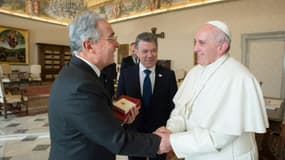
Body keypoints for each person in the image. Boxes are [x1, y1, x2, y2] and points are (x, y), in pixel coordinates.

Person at [48, 11, 170, 160]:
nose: (117, 44)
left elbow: (91, 121)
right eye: (111, 38)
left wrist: (118, 119)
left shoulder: (80, 74)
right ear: (89, 45)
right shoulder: (81, 86)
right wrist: (159, 143)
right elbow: (116, 140)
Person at [155, 20, 269, 160]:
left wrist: (172, 141)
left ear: (221, 47)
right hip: (196, 152)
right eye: (195, 42)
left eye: (201, 43)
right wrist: (171, 129)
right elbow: (182, 110)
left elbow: (221, 136)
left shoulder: (240, 78)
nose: (195, 48)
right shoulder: (194, 72)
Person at [117, 32, 178, 160]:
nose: (150, 55)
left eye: (153, 51)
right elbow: (120, 104)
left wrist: (170, 131)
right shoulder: (126, 74)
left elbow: (174, 108)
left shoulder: (168, 75)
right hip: (134, 135)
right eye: (145, 51)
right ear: (136, 52)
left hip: (159, 136)